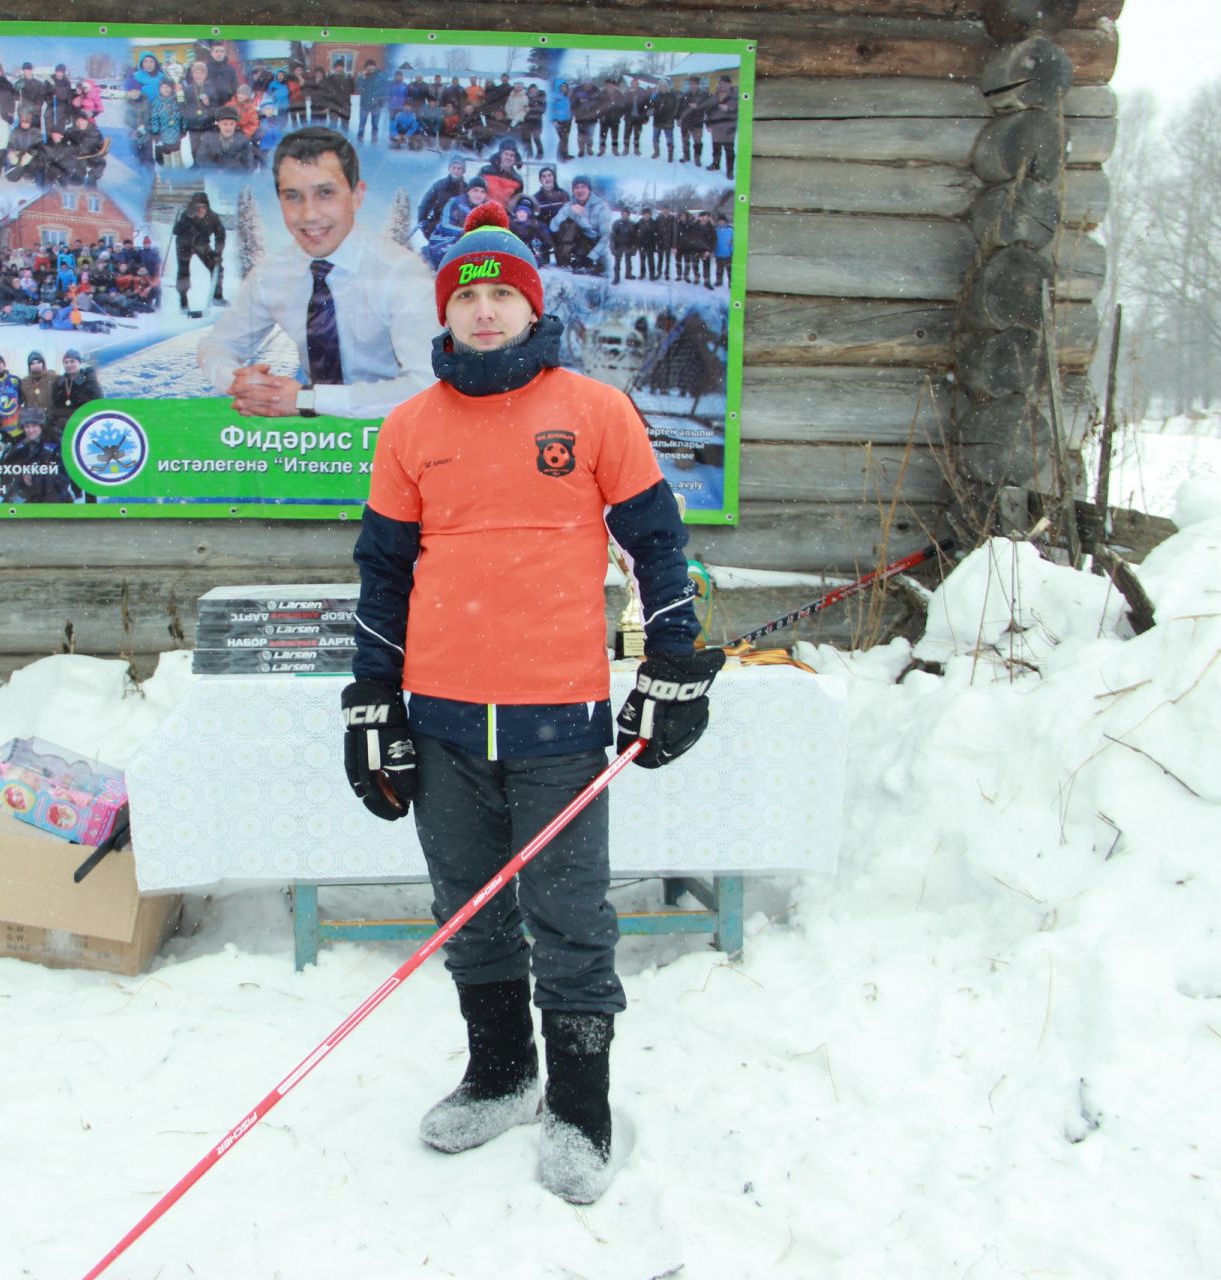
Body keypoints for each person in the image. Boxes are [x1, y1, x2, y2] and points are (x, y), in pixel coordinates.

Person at [342, 200, 707, 1207]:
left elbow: (658, 542)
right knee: (469, 908)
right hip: (444, 716)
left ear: (531, 304)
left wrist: (673, 658)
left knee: (570, 916)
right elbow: (382, 572)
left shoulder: (593, 411)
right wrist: (372, 694)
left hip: (560, 715)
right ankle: (502, 1071)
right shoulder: (412, 427)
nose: (488, 311)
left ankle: (580, 1106)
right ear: (448, 311)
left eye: (505, 293)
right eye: (471, 296)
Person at [197, 127, 436, 419]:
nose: (309, 214)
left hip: (394, 437)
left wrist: (308, 400)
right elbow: (218, 344)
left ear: (356, 196)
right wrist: (238, 381)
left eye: (325, 193)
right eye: (293, 196)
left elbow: (427, 386)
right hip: (313, 448)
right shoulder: (271, 275)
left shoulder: (403, 274)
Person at [171, 192, 226, 315]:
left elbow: (220, 236)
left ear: (207, 206)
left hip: (202, 245)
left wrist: (218, 253)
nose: (201, 210)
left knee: (218, 268)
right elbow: (176, 231)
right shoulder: (186, 216)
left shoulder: (213, 218)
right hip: (184, 245)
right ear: (193, 207)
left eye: (203, 207)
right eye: (198, 207)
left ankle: (217, 297)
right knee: (183, 272)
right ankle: (183, 302)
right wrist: (183, 221)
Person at [550, 177, 612, 274]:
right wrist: (569, 211)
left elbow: (606, 238)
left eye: (583, 187)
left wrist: (591, 257)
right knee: (569, 224)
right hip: (579, 245)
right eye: (576, 187)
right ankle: (567, 259)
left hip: (597, 247)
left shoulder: (601, 207)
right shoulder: (570, 205)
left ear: (589, 189)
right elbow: (553, 227)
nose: (580, 190)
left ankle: (593, 264)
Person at [416, 159, 468, 242]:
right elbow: (426, 203)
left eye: (459, 168)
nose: (456, 171)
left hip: (457, 226)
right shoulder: (440, 185)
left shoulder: (466, 189)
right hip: (438, 222)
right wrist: (422, 219)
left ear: (463, 171)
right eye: (454, 168)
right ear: (449, 169)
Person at [205, 106, 258, 171]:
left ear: (236, 124)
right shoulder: (210, 137)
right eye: (225, 124)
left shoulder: (242, 139)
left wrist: (246, 173)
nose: (228, 128)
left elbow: (248, 159)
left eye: (231, 124)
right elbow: (203, 157)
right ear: (218, 123)